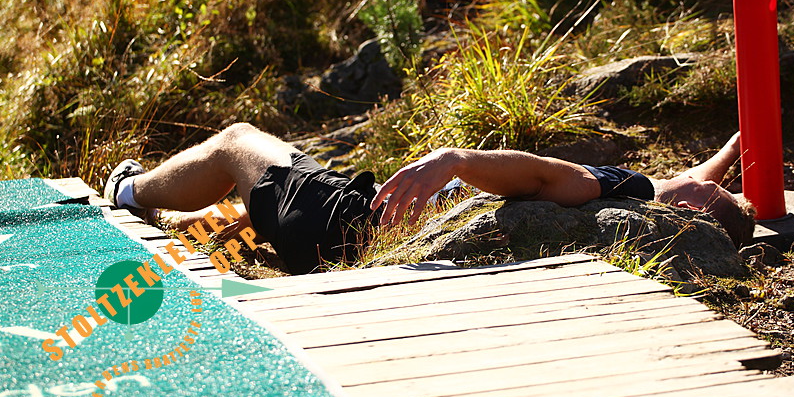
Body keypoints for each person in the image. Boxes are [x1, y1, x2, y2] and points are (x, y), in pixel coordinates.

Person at [104, 123, 753, 275]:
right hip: (340, 231)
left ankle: (128, 190)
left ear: (690, 215)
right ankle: (206, 215)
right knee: (264, 188)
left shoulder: (604, 195)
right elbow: (685, 181)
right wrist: (732, 150)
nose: (708, 183)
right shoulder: (644, 197)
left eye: (712, 195)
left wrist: (454, 159)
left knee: (238, 141)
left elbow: (542, 177)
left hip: (344, 221)